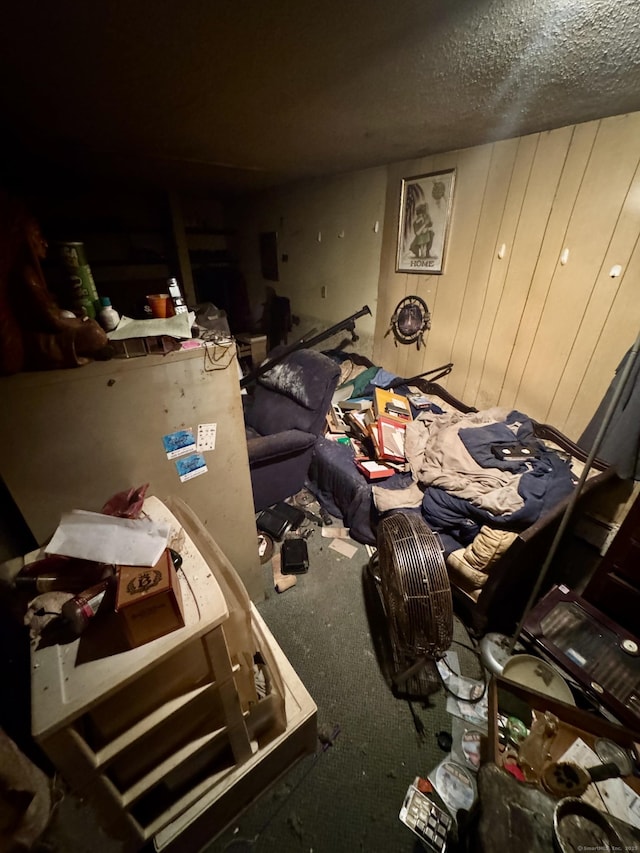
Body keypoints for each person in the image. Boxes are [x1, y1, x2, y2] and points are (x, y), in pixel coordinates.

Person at [0, 195, 110, 373]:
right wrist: (81, 322)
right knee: (94, 334)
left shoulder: (31, 273)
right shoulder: (26, 274)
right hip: (37, 337)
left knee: (92, 329)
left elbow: (53, 315)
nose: (44, 243)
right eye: (38, 236)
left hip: (47, 328)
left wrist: (75, 318)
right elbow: (53, 320)